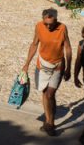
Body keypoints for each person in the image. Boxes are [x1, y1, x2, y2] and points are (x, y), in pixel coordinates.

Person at [22, 8, 72, 136]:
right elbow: (34, 45)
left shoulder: (62, 28)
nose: (49, 26)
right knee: (45, 93)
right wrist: (26, 63)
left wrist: (68, 68)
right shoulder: (39, 26)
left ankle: (51, 123)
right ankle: (48, 120)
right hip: (42, 65)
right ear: (42, 20)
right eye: (46, 24)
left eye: (51, 23)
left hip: (58, 66)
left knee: (50, 94)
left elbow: (67, 47)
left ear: (56, 20)